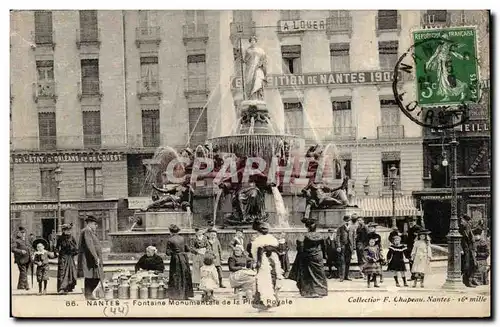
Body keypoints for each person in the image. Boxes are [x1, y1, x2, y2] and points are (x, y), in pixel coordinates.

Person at [289, 219, 328, 298]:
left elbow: (300, 247)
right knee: (319, 273)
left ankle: (309, 291)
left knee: (307, 274)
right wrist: (324, 256)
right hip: (318, 255)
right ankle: (321, 290)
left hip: (308, 256)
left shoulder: (305, 236)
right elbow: (324, 247)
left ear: (307, 227)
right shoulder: (320, 235)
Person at [251, 221, 284, 311]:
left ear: (258, 232)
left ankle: (263, 302)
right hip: (273, 262)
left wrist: (257, 262)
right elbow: (279, 250)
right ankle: (272, 301)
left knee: (263, 281)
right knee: (272, 280)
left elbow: (256, 253)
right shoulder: (272, 239)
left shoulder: (257, 241)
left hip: (264, 263)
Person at [77, 216, 103, 300]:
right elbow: (90, 245)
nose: (96, 226)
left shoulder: (88, 231)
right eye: (95, 224)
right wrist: (96, 257)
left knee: (92, 276)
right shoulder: (87, 231)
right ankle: (88, 294)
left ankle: (89, 294)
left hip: (90, 257)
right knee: (94, 276)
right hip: (89, 258)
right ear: (90, 223)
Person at [165, 224, 194, 300]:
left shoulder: (170, 240)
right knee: (185, 275)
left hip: (176, 259)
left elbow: (167, 253)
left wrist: (172, 251)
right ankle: (185, 295)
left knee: (175, 276)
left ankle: (176, 295)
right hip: (184, 258)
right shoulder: (182, 238)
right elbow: (187, 249)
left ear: (170, 231)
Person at [55, 223, 78, 294]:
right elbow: (56, 247)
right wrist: (56, 252)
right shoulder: (60, 238)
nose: (68, 231)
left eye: (69, 230)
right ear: (63, 230)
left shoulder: (72, 238)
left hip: (70, 257)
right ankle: (62, 288)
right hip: (63, 256)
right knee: (62, 272)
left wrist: (74, 251)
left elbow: (76, 247)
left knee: (71, 271)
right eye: (66, 230)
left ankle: (69, 287)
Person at [244, 35, 267, 101]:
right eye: (251, 41)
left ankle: (259, 98)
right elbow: (246, 60)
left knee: (258, 82)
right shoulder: (248, 50)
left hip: (257, 69)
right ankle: (251, 98)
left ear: (256, 41)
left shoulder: (260, 50)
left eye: (254, 40)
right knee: (249, 83)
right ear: (250, 42)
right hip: (249, 70)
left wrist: (260, 64)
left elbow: (264, 60)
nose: (252, 42)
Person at [11, 226, 33, 290]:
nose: (23, 234)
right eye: (22, 232)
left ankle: (20, 286)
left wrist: (32, 253)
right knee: (23, 272)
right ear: (18, 233)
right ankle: (26, 285)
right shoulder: (16, 241)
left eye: (24, 233)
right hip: (20, 259)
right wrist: (21, 251)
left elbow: (30, 248)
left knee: (24, 272)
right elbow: (12, 249)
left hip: (27, 259)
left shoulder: (26, 241)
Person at [459, 214, 477, 287]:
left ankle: (470, 279)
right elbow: (459, 240)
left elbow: (472, 239)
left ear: (466, 221)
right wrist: (460, 249)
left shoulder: (468, 227)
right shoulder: (461, 228)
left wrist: (474, 250)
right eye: (461, 220)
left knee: (473, 264)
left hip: (470, 249)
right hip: (464, 249)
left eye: (462, 220)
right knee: (466, 265)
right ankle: (466, 281)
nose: (461, 222)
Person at [337, 215, 355, 282]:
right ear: (344, 220)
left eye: (349, 220)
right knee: (342, 262)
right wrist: (338, 246)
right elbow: (338, 237)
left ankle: (347, 276)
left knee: (348, 262)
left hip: (349, 247)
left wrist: (353, 248)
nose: (348, 222)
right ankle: (342, 277)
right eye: (346, 220)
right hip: (343, 246)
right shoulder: (340, 227)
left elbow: (353, 238)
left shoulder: (352, 228)